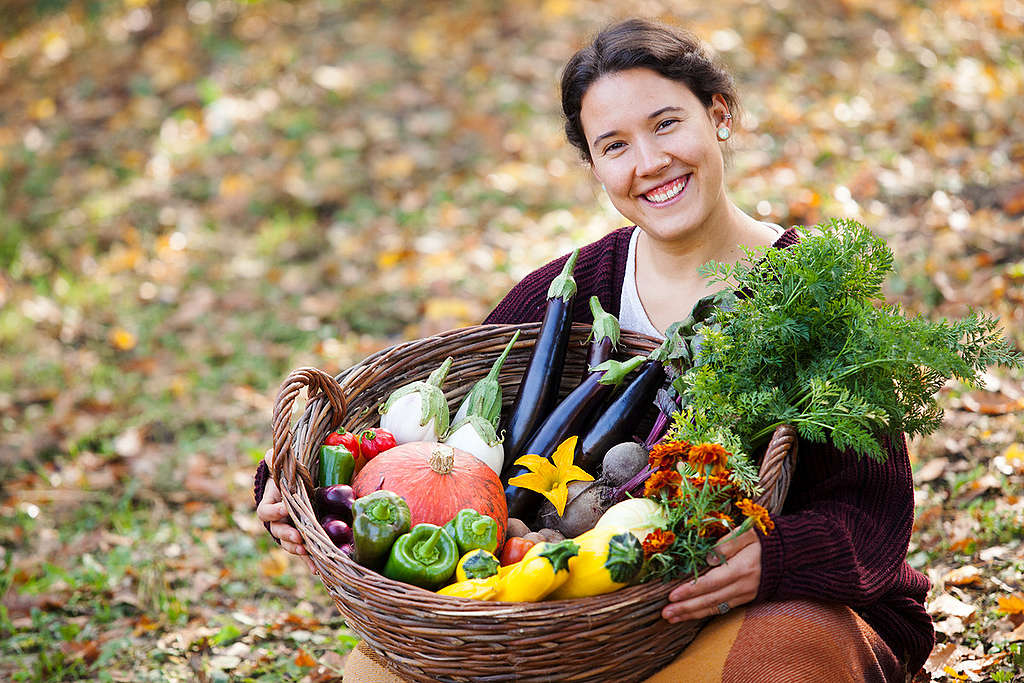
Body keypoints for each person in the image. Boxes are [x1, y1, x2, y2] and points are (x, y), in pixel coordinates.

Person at [255, 18, 934, 681]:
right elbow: (430, 438)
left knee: (785, 651)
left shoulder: (810, 295)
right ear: (595, 167)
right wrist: (294, 487)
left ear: (718, 114)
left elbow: (872, 512)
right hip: (579, 634)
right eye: (614, 145)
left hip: (746, 609)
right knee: (376, 671)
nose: (650, 162)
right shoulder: (570, 290)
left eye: (667, 123)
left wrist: (775, 556)